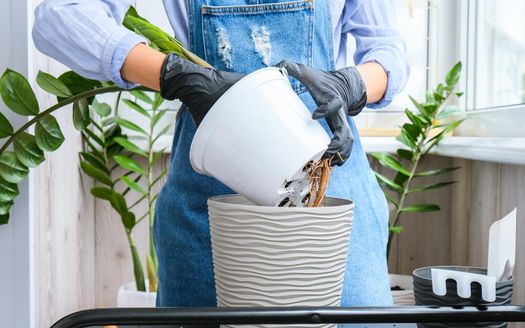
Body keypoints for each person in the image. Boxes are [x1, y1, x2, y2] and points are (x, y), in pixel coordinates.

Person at [33, 0, 409, 307]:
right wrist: (171, 74)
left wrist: (352, 84)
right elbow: (60, 16)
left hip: (332, 199)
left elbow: (387, 49)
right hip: (206, 214)